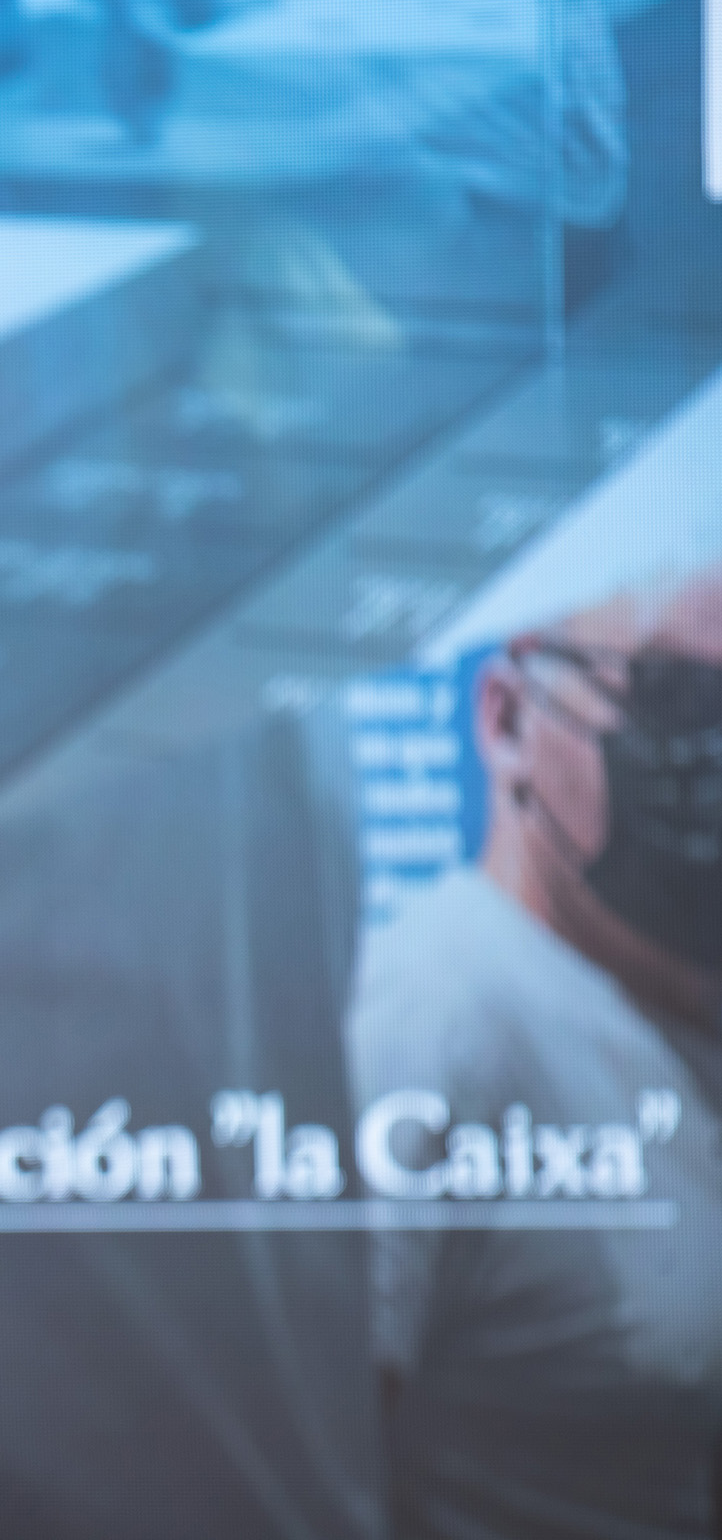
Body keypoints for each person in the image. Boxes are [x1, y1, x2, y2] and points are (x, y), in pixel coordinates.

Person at [347, 565, 722, 1539]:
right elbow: (272, 1467)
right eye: (681, 699)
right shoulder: (430, 1021)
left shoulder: (672, 1008)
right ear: (509, 718)